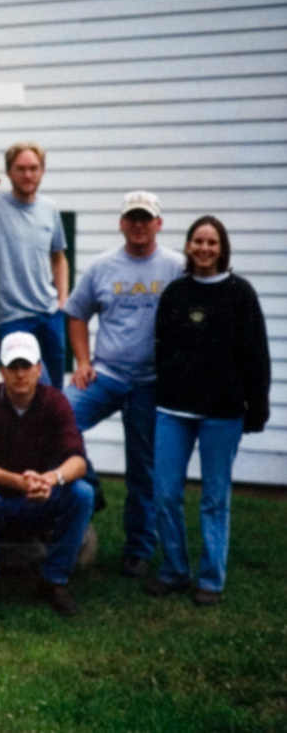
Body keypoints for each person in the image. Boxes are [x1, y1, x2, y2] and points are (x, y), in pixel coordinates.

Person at [144, 216, 270, 607]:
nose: (203, 248)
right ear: (187, 246)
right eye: (197, 241)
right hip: (173, 411)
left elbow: (256, 356)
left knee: (215, 497)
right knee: (165, 493)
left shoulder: (240, 293)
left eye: (211, 243)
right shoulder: (176, 293)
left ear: (223, 248)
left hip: (223, 413)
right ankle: (175, 570)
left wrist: (257, 407)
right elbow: (161, 347)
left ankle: (211, 580)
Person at [62, 191, 185, 579]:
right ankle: (90, 482)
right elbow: (77, 313)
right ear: (121, 223)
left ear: (158, 224)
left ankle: (138, 548)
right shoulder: (102, 267)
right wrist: (83, 362)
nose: (138, 225)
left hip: (152, 382)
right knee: (60, 419)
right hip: (107, 374)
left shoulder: (176, 267)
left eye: (145, 218)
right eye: (132, 217)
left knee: (142, 468)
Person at [0, 332, 95, 617]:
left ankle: (54, 580)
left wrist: (51, 479)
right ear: (3, 371)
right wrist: (15, 480)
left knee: (82, 492)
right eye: (13, 367)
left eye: (26, 366)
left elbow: (77, 460)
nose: (20, 374)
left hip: (39, 499)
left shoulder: (55, 401)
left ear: (39, 369)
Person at [0, 142, 69, 385]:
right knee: (35, 389)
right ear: (9, 172)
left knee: (55, 396)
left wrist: (62, 298)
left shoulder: (49, 208)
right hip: (13, 318)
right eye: (20, 168)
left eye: (34, 168)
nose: (28, 175)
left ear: (42, 171)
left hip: (50, 315)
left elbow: (58, 256)